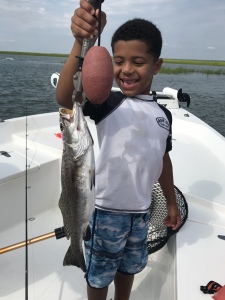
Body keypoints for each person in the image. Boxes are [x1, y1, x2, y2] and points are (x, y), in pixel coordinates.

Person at [56, 1, 182, 299]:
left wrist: (171, 201)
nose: (126, 70)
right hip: (104, 212)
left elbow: (162, 159)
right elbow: (65, 97)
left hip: (141, 213)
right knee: (99, 276)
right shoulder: (107, 103)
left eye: (138, 62)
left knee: (129, 269)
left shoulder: (165, 115)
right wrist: (80, 42)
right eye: (119, 61)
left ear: (157, 65)